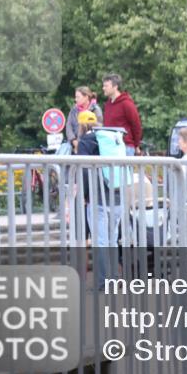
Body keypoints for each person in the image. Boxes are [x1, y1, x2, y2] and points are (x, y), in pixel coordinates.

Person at [76, 111, 122, 289]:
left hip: (98, 197)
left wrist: (84, 195)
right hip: (117, 196)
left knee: (100, 241)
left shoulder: (85, 142)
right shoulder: (109, 138)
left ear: (80, 126)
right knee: (112, 239)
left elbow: (84, 170)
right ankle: (114, 277)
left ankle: (104, 281)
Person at [102, 73, 143, 156]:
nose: (103, 88)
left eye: (106, 86)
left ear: (115, 87)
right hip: (109, 147)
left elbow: (136, 125)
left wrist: (136, 145)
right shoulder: (108, 105)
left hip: (125, 147)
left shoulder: (126, 104)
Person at [66, 86, 104, 152]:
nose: (76, 99)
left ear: (86, 97)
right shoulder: (73, 110)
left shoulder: (96, 109)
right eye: (75, 97)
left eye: (78, 97)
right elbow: (68, 126)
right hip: (73, 145)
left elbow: (100, 127)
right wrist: (73, 141)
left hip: (90, 145)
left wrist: (88, 123)